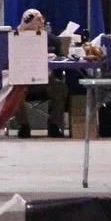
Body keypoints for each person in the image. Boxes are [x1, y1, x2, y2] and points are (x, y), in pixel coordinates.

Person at [12, 9, 69, 138]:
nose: (41, 21)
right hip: (24, 80)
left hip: (45, 79)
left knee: (60, 87)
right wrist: (23, 27)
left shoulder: (52, 40)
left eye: (42, 18)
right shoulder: (18, 37)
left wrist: (52, 57)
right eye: (37, 19)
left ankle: (54, 125)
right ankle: (24, 125)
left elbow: (62, 59)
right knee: (14, 89)